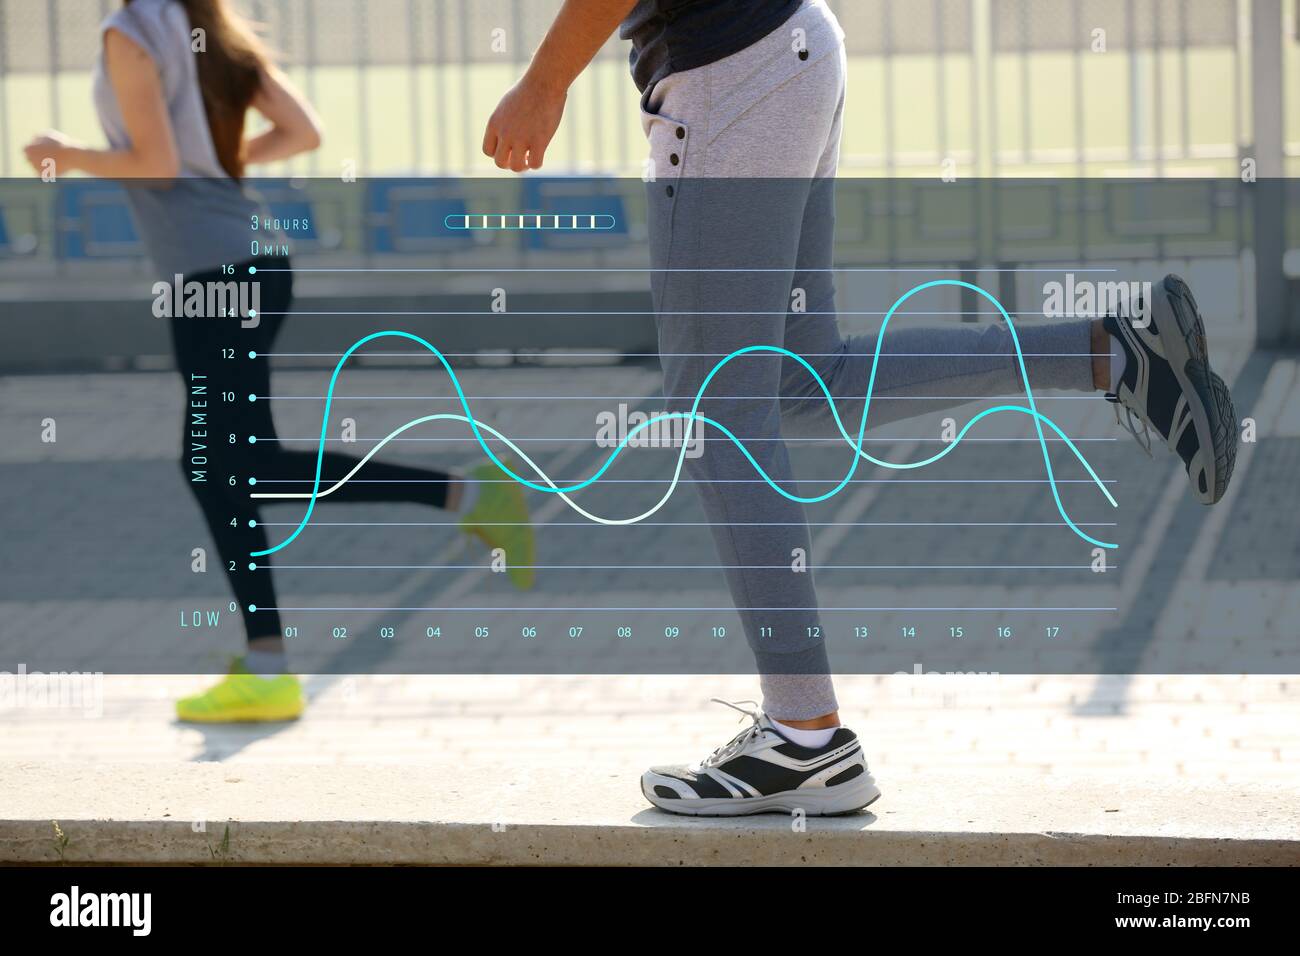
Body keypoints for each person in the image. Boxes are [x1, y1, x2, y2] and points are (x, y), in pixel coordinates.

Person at [483, 0, 1238, 815]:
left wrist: (544, 81)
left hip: (732, 72)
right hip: (784, 50)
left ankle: (806, 737)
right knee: (799, 383)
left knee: (719, 414)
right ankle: (1118, 353)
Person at [24, 0, 534, 724]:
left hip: (213, 273)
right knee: (239, 467)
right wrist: (224, 165)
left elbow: (159, 166)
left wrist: (67, 155)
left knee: (217, 467)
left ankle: (275, 661)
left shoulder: (131, 30)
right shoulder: (212, 29)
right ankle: (457, 504)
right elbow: (303, 131)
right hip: (250, 262)